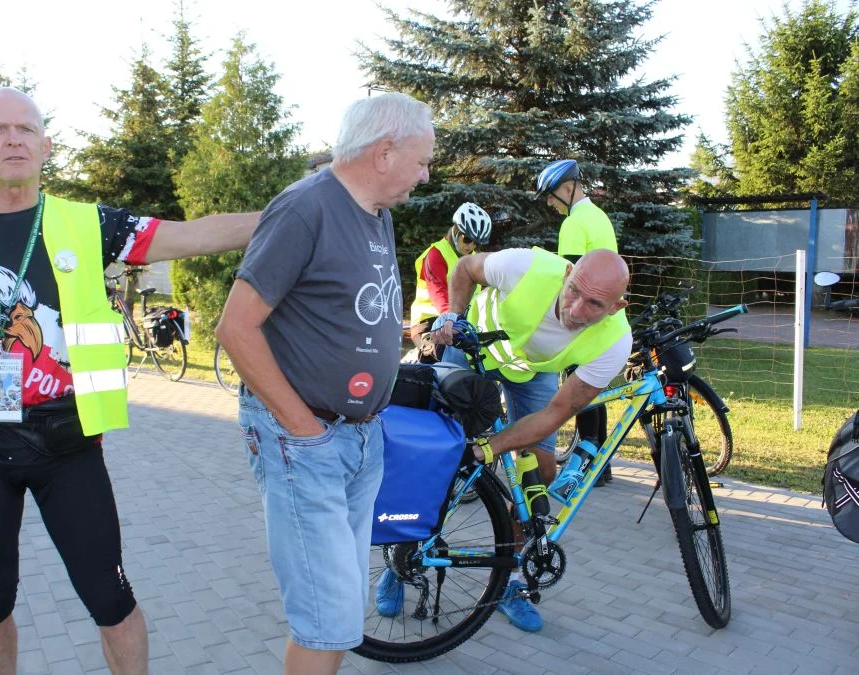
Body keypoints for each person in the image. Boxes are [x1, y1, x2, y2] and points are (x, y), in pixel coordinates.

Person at [0, 87, 260, 675]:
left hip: (69, 447)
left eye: (25, 129)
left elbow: (197, 233)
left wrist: (307, 208)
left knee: (111, 598)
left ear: (46, 145)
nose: (12, 139)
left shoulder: (87, 224)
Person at [216, 92, 434, 675]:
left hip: (360, 439)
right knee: (327, 614)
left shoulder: (378, 214)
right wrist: (304, 429)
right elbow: (236, 328)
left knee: (339, 609)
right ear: (385, 151)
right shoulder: (306, 207)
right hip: (308, 440)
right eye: (421, 159)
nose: (425, 173)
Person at [425, 247, 632, 634]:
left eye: (594, 304)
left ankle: (508, 578)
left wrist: (487, 448)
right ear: (567, 272)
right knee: (437, 461)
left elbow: (555, 413)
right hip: (473, 350)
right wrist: (452, 314)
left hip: (531, 372)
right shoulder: (527, 267)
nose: (575, 309)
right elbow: (466, 267)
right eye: (573, 291)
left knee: (539, 473)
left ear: (617, 307)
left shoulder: (615, 343)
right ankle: (403, 562)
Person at [536, 158, 619, 485]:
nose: (548, 202)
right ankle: (601, 464)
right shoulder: (599, 217)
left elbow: (570, 280)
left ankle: (589, 466)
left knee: (579, 391)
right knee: (593, 389)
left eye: (551, 194)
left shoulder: (573, 223)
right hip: (605, 317)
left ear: (568, 188)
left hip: (585, 318)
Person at [408, 202, 492, 362]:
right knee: (445, 360)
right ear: (455, 230)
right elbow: (438, 292)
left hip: (460, 323)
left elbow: (481, 293)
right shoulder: (436, 254)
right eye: (467, 239)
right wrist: (452, 318)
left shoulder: (473, 258)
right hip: (428, 322)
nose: (471, 246)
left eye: (476, 243)